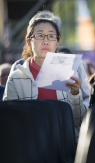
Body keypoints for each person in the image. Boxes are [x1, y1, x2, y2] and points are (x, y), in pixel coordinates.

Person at [3, 10, 86, 140]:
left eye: (51, 36)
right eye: (40, 36)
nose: (46, 41)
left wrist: (75, 95)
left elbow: (78, 121)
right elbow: (9, 120)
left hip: (64, 143)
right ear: (29, 41)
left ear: (57, 42)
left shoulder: (70, 72)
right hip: (30, 144)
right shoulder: (15, 77)